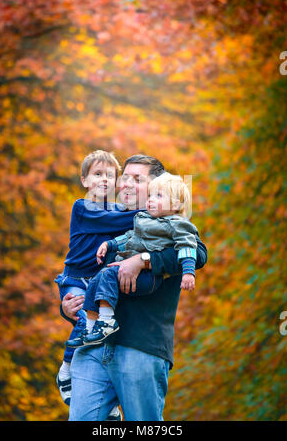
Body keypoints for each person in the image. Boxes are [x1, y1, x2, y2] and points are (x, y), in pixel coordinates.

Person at [62, 155, 207, 421]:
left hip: (140, 347)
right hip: (93, 348)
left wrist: (144, 260)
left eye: (137, 179)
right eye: (125, 177)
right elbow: (76, 266)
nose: (126, 184)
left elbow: (198, 254)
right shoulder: (109, 219)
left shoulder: (169, 222)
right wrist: (69, 303)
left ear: (156, 188)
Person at [66, 172, 198, 348]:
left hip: (147, 277)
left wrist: (188, 272)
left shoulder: (177, 223)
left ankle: (106, 321)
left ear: (174, 204)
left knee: (107, 275)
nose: (150, 200)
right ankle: (89, 329)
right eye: (150, 195)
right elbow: (129, 236)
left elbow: (189, 246)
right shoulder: (144, 219)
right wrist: (110, 244)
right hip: (122, 274)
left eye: (158, 196)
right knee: (96, 280)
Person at [54, 150, 138, 416]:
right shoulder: (82, 208)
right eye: (97, 174)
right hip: (76, 278)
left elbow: (126, 226)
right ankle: (66, 369)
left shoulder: (117, 209)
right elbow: (114, 221)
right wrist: (148, 213)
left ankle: (106, 404)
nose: (104, 180)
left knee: (98, 328)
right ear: (84, 180)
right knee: (83, 321)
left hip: (97, 281)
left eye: (110, 176)